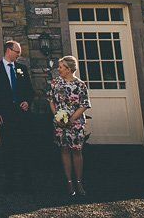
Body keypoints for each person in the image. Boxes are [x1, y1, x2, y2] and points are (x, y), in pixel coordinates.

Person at [0, 40, 36, 192]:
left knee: (25, 149)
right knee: (8, 149)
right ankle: (10, 184)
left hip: (22, 115)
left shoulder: (22, 68)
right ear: (9, 50)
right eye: (17, 52)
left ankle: (27, 183)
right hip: (6, 115)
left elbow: (29, 90)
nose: (19, 55)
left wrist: (27, 102)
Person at [48, 55, 91, 197]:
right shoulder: (55, 83)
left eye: (60, 67)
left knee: (77, 151)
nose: (58, 69)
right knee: (64, 150)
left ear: (68, 69)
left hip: (76, 122)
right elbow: (51, 101)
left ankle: (79, 182)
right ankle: (69, 182)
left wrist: (71, 119)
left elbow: (84, 104)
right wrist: (57, 116)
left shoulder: (80, 85)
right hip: (60, 123)